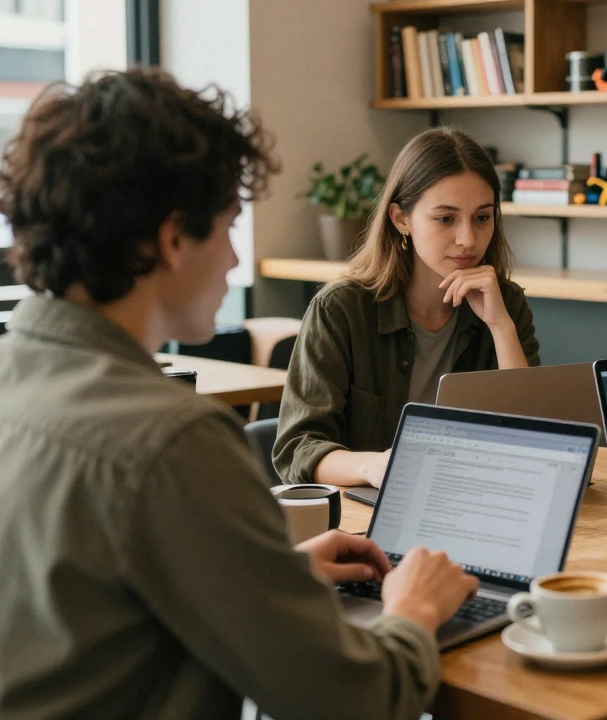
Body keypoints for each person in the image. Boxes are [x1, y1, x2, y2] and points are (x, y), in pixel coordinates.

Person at [0, 68, 478, 720]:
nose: (232, 259)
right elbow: (355, 699)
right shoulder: (173, 441)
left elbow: (88, 603)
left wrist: (270, 574)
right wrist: (415, 609)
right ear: (171, 241)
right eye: (228, 226)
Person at [274, 126, 539, 487]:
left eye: (482, 217)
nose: (468, 239)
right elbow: (297, 448)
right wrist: (374, 467)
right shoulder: (341, 310)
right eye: (445, 218)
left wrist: (501, 328)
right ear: (401, 219)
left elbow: (534, 446)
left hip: (471, 502)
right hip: (366, 516)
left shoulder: (504, 303)